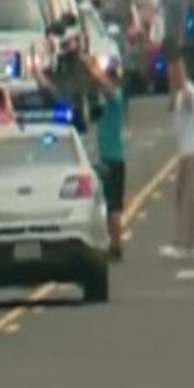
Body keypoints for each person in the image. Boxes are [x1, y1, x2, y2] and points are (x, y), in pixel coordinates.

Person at [80, 52, 127, 261]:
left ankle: (116, 245)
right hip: (104, 158)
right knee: (106, 205)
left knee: (114, 205)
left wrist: (90, 65)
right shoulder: (106, 102)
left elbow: (104, 85)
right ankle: (110, 243)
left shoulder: (116, 97)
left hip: (114, 159)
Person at [160, 66, 194, 260]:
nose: (171, 77)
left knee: (188, 197)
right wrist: (173, 88)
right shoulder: (178, 94)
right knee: (182, 197)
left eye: (174, 74)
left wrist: (182, 76)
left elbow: (187, 103)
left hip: (192, 150)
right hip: (184, 151)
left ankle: (183, 244)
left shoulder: (190, 91)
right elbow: (170, 107)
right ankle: (190, 243)